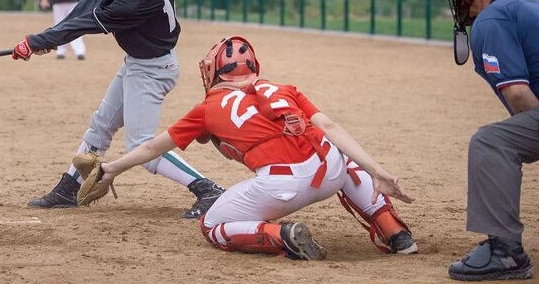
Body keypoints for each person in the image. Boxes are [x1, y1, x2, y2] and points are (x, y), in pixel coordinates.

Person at [80, 36, 419, 259]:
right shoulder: (284, 88)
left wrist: (110, 169)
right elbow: (330, 127)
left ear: (215, 72)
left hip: (281, 186)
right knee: (336, 151)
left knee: (212, 226)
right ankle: (395, 231)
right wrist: (377, 172)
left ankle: (280, 236)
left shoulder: (207, 108)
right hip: (329, 172)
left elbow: (153, 147)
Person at [12, 0, 225, 218]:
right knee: (100, 125)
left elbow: (89, 22)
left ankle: (207, 189)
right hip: (138, 63)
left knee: (142, 147)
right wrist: (49, 37)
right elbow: (90, 5)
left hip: (153, 70)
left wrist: (39, 41)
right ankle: (68, 188)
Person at [444, 0, 537, 281]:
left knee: (491, 142)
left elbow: (518, 94)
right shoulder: (527, 7)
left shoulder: (493, 18)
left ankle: (505, 252)